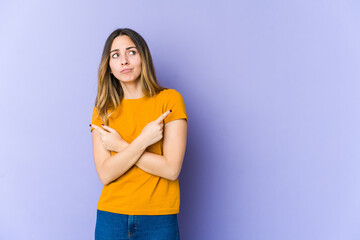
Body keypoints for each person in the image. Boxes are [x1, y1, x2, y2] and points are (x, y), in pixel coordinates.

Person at [89, 28, 188, 240]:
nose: (124, 60)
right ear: (109, 67)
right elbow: (106, 174)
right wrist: (143, 140)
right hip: (111, 216)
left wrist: (120, 146)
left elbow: (171, 169)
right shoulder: (102, 110)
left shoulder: (169, 100)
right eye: (115, 55)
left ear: (144, 58)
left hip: (159, 218)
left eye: (131, 52)